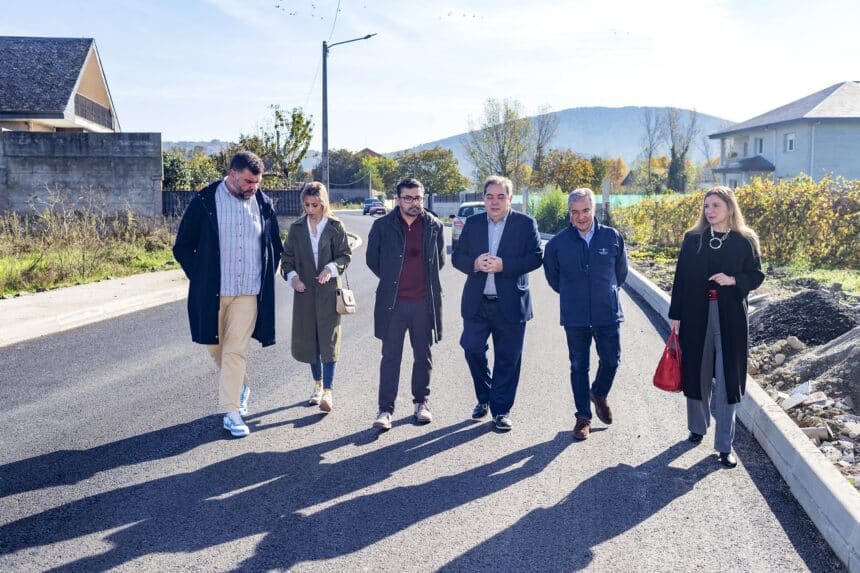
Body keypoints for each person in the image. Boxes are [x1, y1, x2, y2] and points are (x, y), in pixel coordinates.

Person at [173, 151, 284, 438]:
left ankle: (231, 412)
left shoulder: (263, 204)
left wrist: (265, 277)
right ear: (232, 174)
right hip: (214, 293)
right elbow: (182, 246)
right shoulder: (205, 201)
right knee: (215, 348)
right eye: (248, 181)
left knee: (235, 351)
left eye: (257, 182)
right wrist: (201, 277)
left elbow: (274, 246)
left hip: (248, 293)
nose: (253, 187)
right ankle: (241, 385)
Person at [668, 186, 764, 467]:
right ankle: (696, 428)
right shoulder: (693, 239)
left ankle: (725, 445)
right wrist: (676, 315)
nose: (709, 211)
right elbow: (680, 279)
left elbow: (756, 275)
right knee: (696, 371)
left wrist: (733, 280)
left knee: (727, 378)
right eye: (706, 206)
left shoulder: (745, 240)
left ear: (730, 208)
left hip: (730, 315)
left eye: (716, 206)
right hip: (695, 314)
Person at [452, 175, 543, 431]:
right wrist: (474, 263)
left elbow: (536, 257)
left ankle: (501, 410)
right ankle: (485, 396)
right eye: (490, 196)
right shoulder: (472, 224)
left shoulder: (525, 224)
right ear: (483, 199)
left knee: (508, 359)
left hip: (511, 303)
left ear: (510, 198)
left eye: (501, 197)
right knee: (472, 348)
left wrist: (505, 266)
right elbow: (457, 257)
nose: (495, 202)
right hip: (477, 302)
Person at [543, 188, 628, 441]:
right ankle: (583, 417)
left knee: (611, 360)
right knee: (579, 366)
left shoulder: (612, 237)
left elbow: (620, 273)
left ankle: (599, 393)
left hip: (607, 313)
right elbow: (553, 278)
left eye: (585, 210)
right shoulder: (557, 244)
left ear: (594, 209)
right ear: (569, 213)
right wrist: (575, 294)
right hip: (575, 315)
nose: (580, 217)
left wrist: (604, 292)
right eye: (575, 212)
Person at [366, 178, 445, 430]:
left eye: (418, 198)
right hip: (394, 304)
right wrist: (393, 279)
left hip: (423, 303)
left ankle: (421, 403)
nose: (414, 203)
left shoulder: (434, 226)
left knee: (423, 355)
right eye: (408, 198)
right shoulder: (382, 226)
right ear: (398, 199)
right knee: (390, 357)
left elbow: (439, 262)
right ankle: (385, 410)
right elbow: (372, 260)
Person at [281, 182, 351, 412]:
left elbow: (345, 256)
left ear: (324, 204)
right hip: (304, 293)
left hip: (329, 292)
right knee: (310, 340)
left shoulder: (335, 226)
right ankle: (317, 386)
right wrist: (293, 278)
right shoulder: (296, 228)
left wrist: (330, 269)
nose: (310, 209)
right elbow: (286, 258)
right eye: (307, 205)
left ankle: (328, 391)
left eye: (315, 205)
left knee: (329, 340)